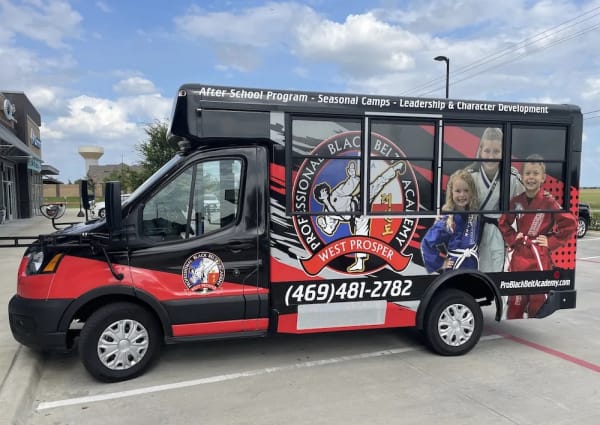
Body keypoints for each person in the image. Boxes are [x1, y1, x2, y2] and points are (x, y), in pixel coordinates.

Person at [498, 155, 577, 319]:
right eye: (527, 173)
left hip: (539, 256)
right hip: (520, 255)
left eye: (535, 173)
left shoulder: (549, 202)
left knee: (538, 300)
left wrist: (551, 241)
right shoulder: (516, 202)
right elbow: (503, 223)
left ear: (543, 177)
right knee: (516, 300)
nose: (531, 177)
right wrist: (514, 238)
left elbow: (570, 224)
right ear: (521, 176)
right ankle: (514, 323)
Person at [314, 159, 406, 272]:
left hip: (359, 201)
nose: (325, 191)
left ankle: (395, 169)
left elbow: (349, 185)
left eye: (325, 190)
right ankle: (359, 263)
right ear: (320, 197)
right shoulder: (327, 213)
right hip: (357, 217)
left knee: (378, 182)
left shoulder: (336, 193)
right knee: (360, 235)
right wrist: (322, 224)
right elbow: (330, 230)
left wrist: (352, 176)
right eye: (322, 192)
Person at [468, 127, 525, 272]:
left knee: (497, 275)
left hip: (500, 234)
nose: (491, 156)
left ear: (503, 153)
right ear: (480, 151)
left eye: (496, 151)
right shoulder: (470, 177)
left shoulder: (512, 179)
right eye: (487, 151)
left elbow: (525, 207)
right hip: (475, 233)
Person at [421, 169, 481, 273]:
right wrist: (440, 262)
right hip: (455, 267)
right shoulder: (447, 219)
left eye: (466, 190)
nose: (462, 195)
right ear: (451, 193)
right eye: (458, 191)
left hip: (472, 265)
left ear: (471, 192)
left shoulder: (474, 214)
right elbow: (427, 242)